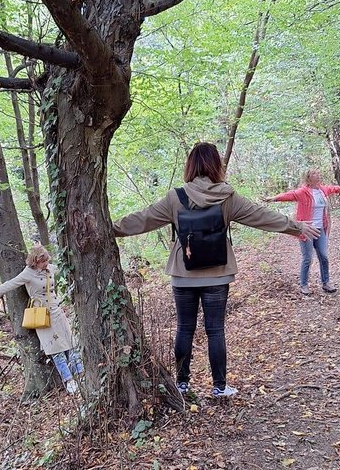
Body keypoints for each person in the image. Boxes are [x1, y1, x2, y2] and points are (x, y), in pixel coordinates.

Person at [112, 142, 319, 399]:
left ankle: (182, 384)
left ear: (191, 166)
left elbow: (142, 219)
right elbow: (262, 216)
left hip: (183, 274)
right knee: (215, 330)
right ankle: (219, 386)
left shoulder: (175, 198)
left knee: (184, 328)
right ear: (216, 166)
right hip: (218, 273)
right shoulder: (227, 197)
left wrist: (111, 228)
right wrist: (296, 226)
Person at [0, 244, 83, 393]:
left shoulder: (50, 269)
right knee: (55, 349)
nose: (46, 263)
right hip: (42, 315)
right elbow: (11, 283)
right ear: (35, 261)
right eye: (42, 261)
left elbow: (65, 268)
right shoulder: (28, 273)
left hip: (57, 311)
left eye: (47, 260)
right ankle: (69, 380)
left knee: (69, 344)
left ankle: (80, 374)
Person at [264, 170, 340, 295]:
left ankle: (326, 283)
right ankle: (304, 285)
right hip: (307, 229)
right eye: (315, 175)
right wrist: (273, 198)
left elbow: (332, 188)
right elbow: (289, 195)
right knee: (307, 258)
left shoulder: (322, 190)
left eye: (319, 175)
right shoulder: (302, 192)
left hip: (320, 228)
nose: (318, 176)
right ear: (309, 179)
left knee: (324, 256)